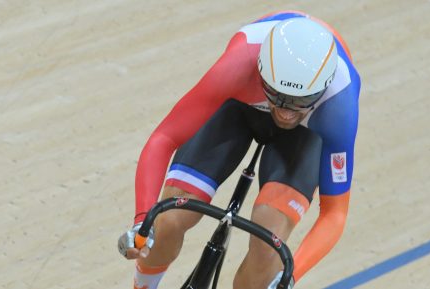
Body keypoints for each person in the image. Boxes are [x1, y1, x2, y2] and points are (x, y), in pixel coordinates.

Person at [118, 10, 361, 289]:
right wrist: (141, 222)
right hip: (239, 106)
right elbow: (163, 138)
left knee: (268, 242)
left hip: (303, 136)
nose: (284, 112)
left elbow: (334, 214)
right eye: (277, 95)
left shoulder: (339, 105)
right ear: (260, 70)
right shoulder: (239, 61)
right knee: (168, 221)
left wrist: (290, 277)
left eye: (299, 101)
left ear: (323, 89)